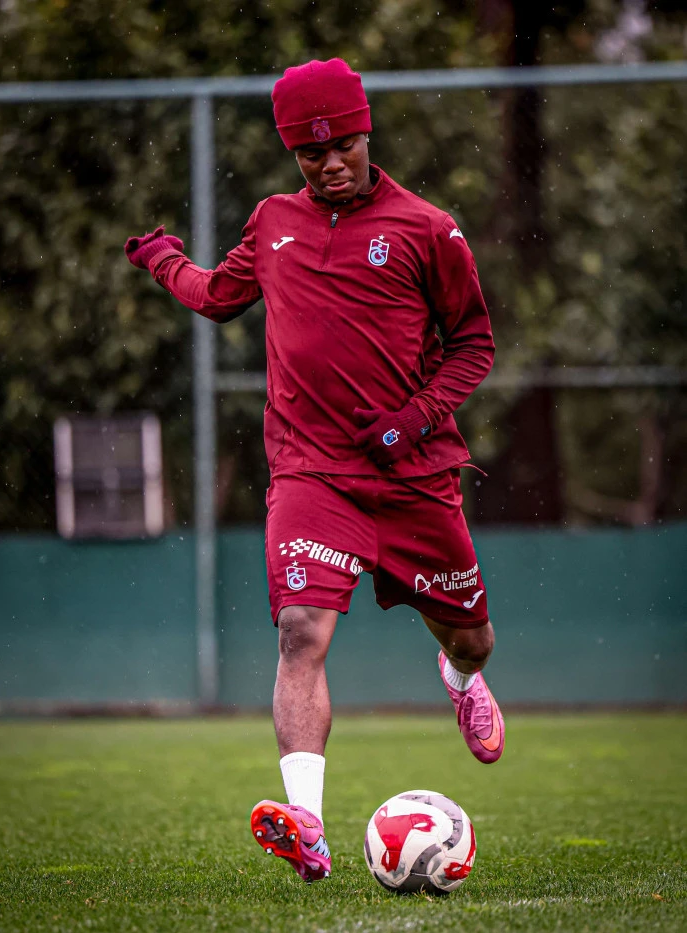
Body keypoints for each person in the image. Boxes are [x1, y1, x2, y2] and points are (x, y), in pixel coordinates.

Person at [125, 58, 504, 884]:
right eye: (310, 152)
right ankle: (309, 825)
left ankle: (459, 676)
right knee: (301, 631)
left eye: (344, 146)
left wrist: (414, 418)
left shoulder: (427, 229)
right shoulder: (273, 222)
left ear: (367, 132)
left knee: (473, 636)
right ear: (292, 152)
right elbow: (216, 295)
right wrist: (162, 260)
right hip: (311, 472)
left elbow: (475, 342)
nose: (330, 163)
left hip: (411, 473)